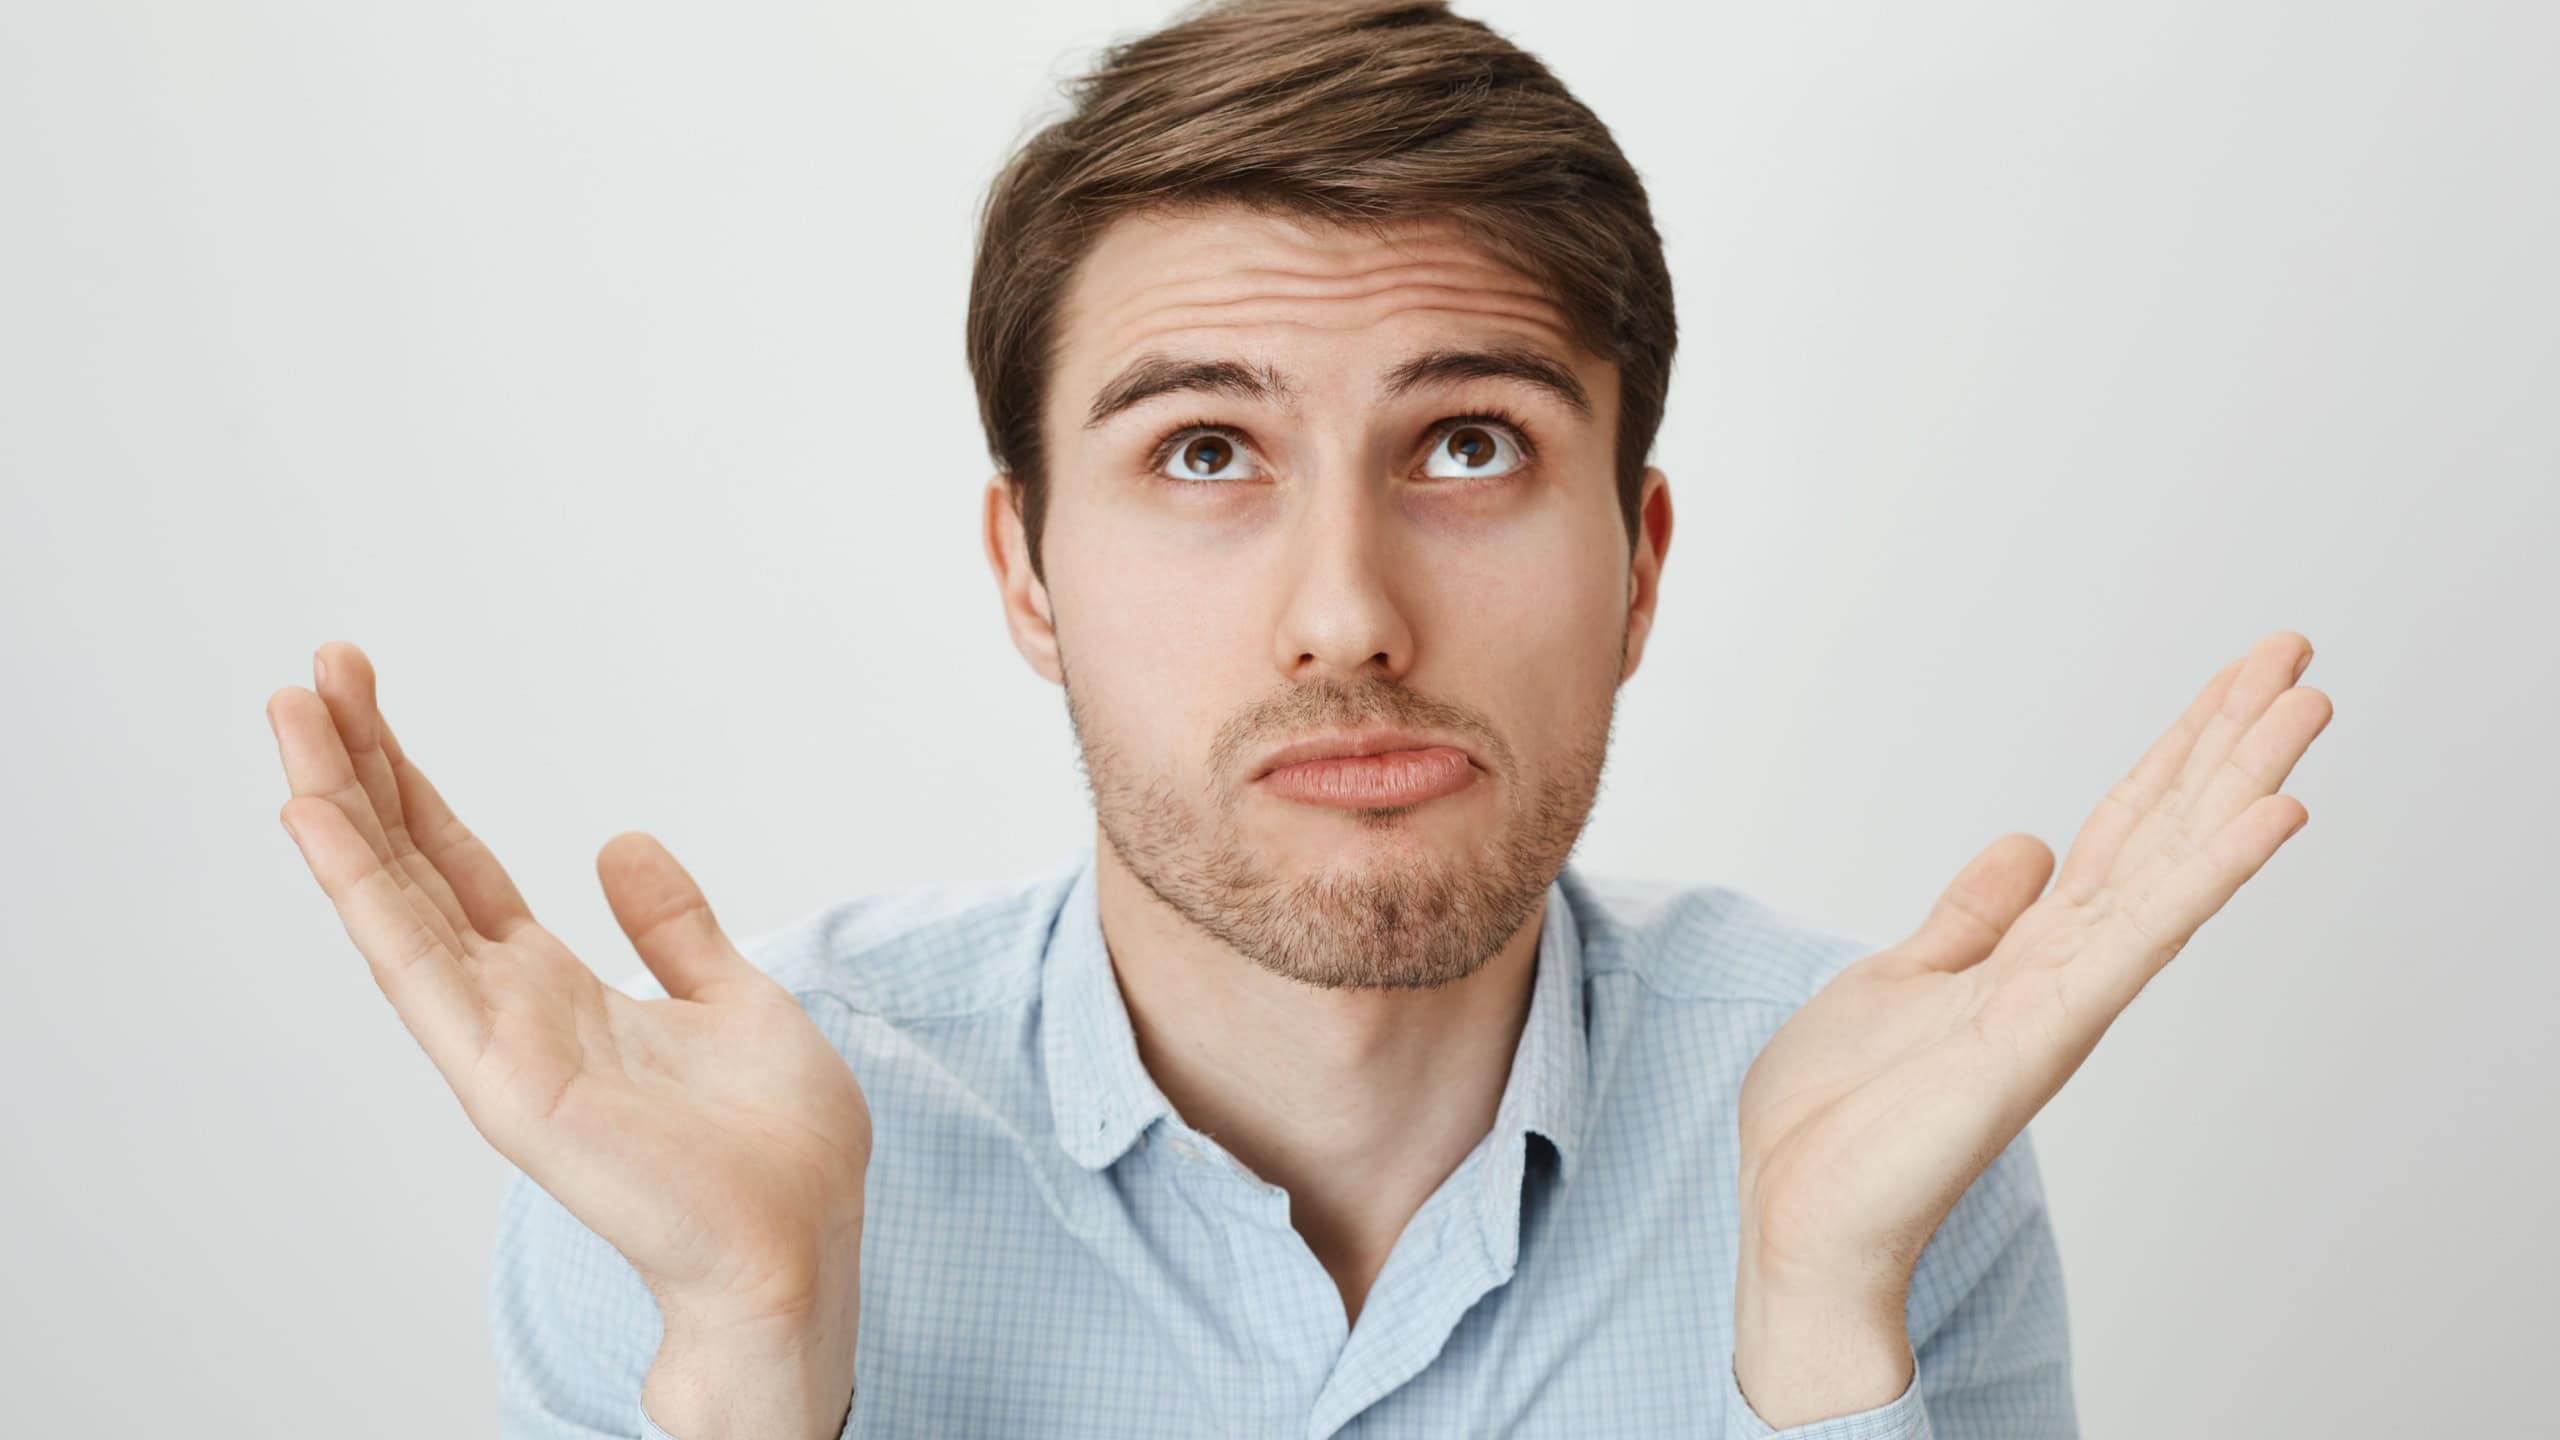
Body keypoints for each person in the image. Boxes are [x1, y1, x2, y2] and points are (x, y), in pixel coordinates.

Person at [263, 1, 2332, 1435]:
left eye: (1463, 446)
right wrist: (744, 1355)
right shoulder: (689, 1162)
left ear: (1639, 559)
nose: (1343, 617)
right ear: (1023, 573)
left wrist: (1809, 1341)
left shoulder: (1881, 1130)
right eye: (1197, 456)